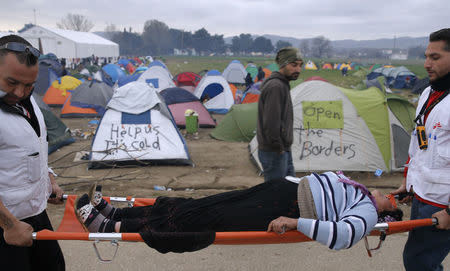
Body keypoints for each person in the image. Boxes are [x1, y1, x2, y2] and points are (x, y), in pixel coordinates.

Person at [75, 171, 402, 253]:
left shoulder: (367, 213)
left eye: (393, 199)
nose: (389, 194)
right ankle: (115, 214)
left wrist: (295, 222)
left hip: (283, 209)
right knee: (194, 206)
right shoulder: (360, 192)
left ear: (389, 214)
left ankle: (109, 226)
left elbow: (343, 237)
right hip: (277, 192)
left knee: (196, 219)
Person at [0, 35, 65, 270]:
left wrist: (48, 180)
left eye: (29, 85)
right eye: (11, 82)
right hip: (6, 224)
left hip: (36, 213)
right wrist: (8, 225)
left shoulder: (27, 100)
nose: (20, 92)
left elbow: (32, 148)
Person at [391, 28, 450, 271]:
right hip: (422, 196)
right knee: (420, 261)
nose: (426, 64)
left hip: (443, 203)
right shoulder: (428, 93)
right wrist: (408, 183)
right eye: (426, 56)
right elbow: (420, 142)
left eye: (435, 58)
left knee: (418, 262)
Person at [257, 47, 303, 182]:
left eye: (300, 65)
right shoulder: (276, 87)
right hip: (275, 151)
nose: (298, 70)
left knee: (289, 190)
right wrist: (279, 148)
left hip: (281, 149)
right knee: (276, 196)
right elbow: (271, 123)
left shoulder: (282, 84)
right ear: (283, 64)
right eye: (294, 65)